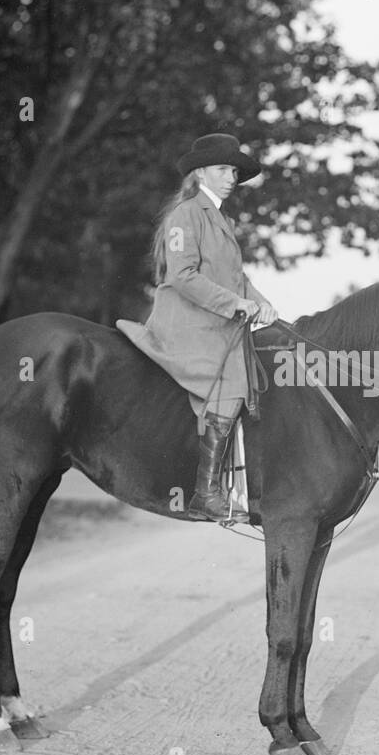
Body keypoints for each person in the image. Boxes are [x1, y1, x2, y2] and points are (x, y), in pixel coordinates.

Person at [117, 133, 278, 521]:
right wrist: (236, 303)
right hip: (186, 319)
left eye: (234, 171)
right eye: (223, 169)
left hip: (216, 318)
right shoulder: (185, 215)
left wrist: (261, 300)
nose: (230, 177)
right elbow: (184, 276)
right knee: (229, 382)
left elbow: (234, 277)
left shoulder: (222, 218)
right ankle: (206, 492)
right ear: (200, 172)